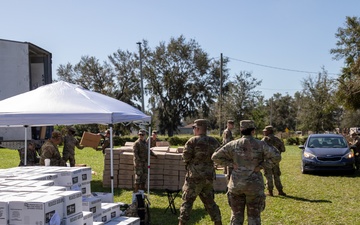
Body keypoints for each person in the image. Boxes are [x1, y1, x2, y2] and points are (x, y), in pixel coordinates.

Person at [212, 120, 281, 225]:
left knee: (236, 216)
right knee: (254, 217)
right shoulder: (261, 144)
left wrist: (231, 164)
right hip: (254, 186)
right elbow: (277, 156)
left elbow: (215, 157)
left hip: (236, 185)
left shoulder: (233, 144)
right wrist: (262, 166)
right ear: (253, 131)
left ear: (241, 130)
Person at [178, 119, 222, 225]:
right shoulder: (214, 141)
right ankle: (218, 221)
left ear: (197, 129)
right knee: (210, 202)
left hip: (194, 178)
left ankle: (182, 223)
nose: (193, 130)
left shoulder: (192, 141)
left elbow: (185, 158)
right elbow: (219, 156)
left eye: (194, 128)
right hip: (208, 177)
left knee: (187, 202)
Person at [262, 125, 286, 197]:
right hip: (276, 161)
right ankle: (280, 190)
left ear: (269, 131)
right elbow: (283, 149)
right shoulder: (277, 139)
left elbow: (260, 150)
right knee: (276, 175)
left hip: (267, 161)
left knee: (268, 176)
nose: (264, 132)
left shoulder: (264, 140)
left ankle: (270, 191)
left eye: (265, 131)